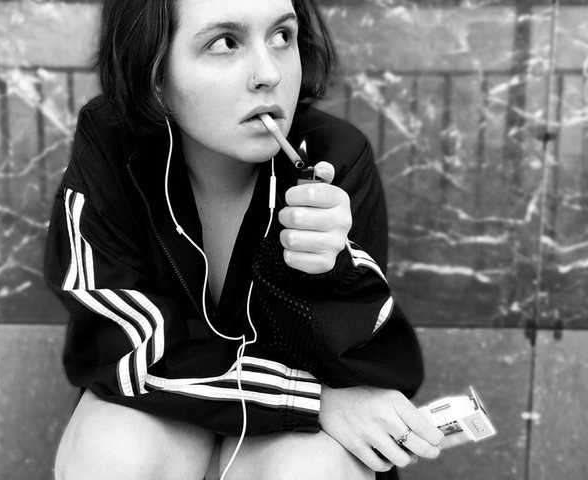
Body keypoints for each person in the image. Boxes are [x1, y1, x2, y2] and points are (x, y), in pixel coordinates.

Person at [44, 0, 444, 479]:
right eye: (225, 43)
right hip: (169, 410)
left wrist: (336, 269)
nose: (269, 73)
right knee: (112, 453)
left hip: (286, 442)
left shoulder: (334, 158)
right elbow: (121, 348)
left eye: (282, 36)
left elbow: (369, 371)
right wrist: (306, 400)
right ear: (153, 72)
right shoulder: (111, 144)